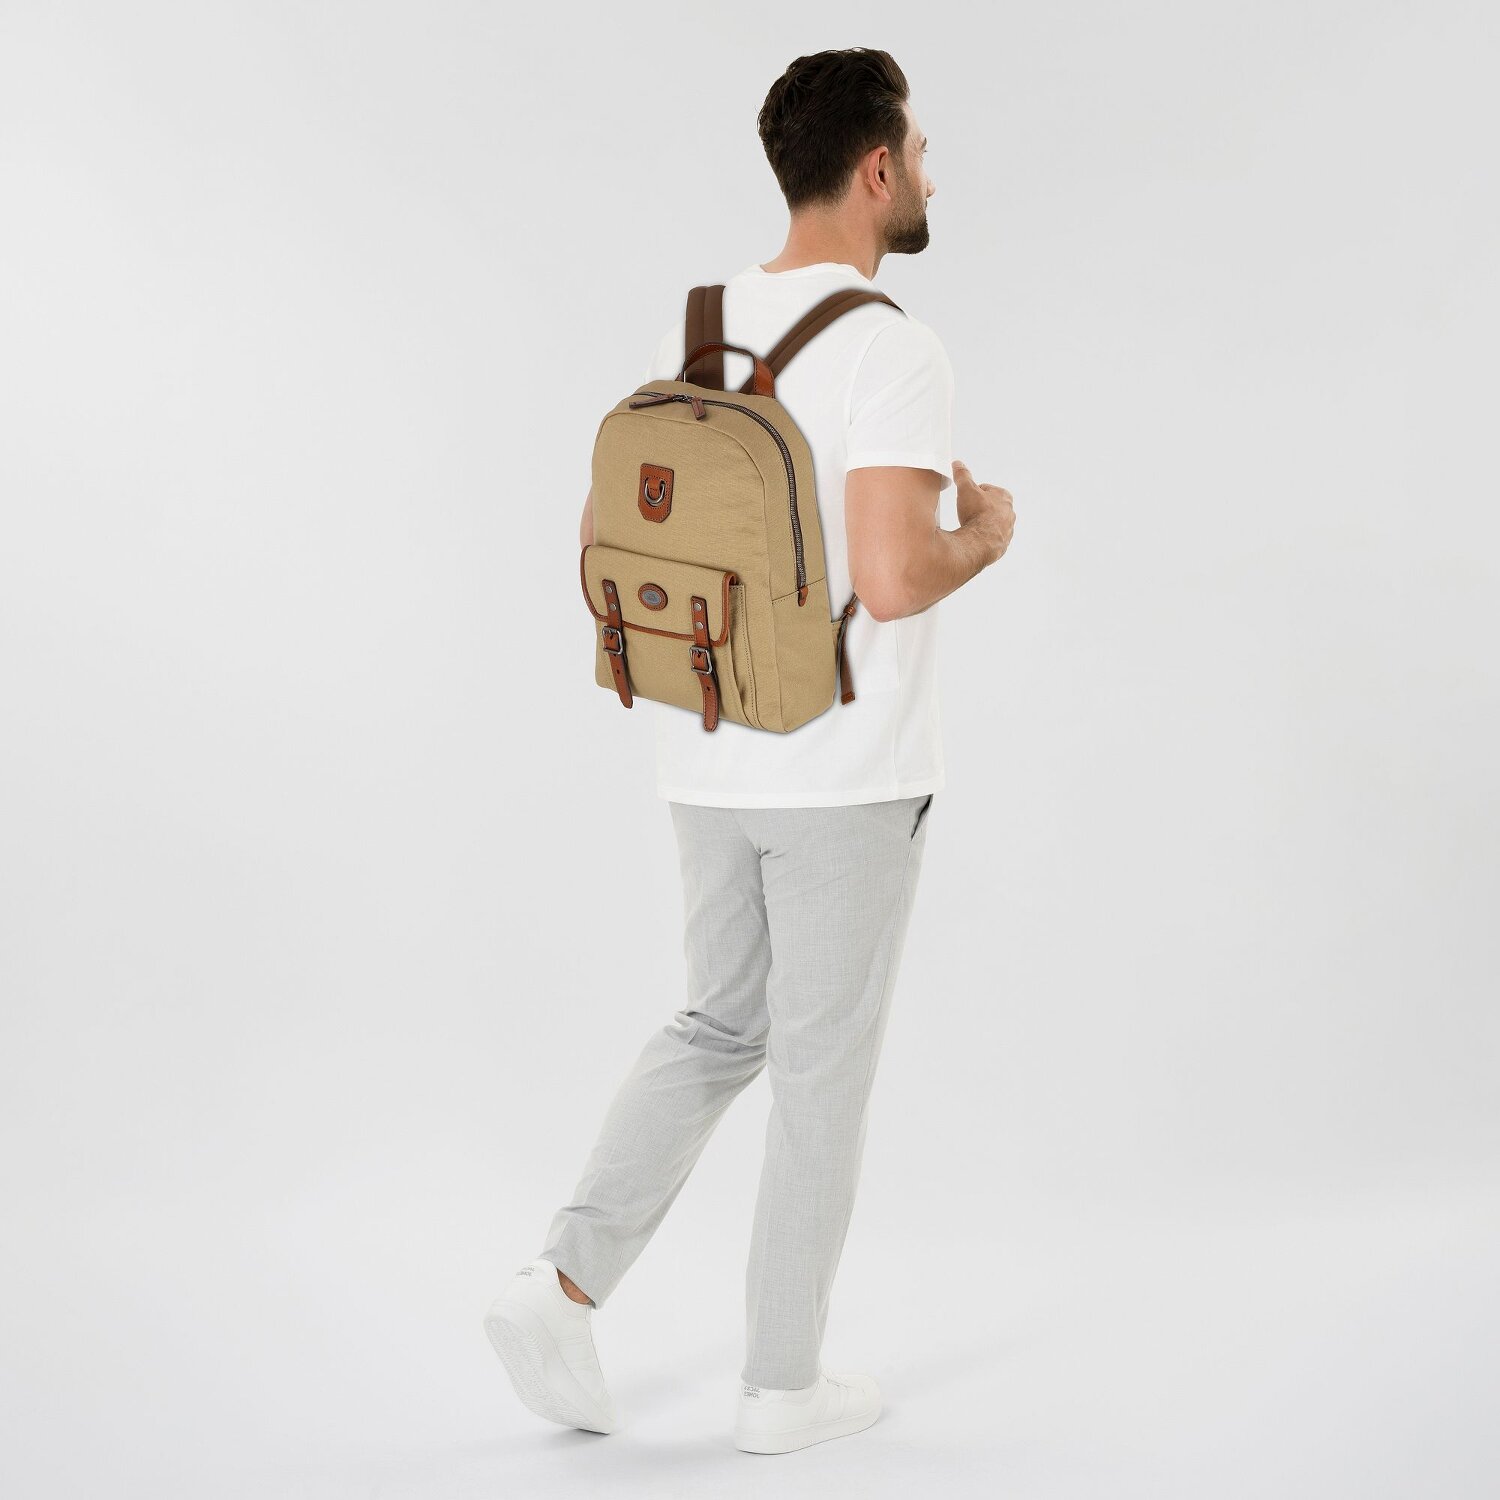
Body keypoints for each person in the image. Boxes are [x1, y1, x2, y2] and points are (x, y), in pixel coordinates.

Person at [484, 47, 1015, 1455]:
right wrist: (983, 536)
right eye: (920, 151)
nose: (931, 174)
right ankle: (783, 1387)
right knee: (820, 1071)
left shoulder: (708, 327)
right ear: (877, 168)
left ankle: (558, 1284)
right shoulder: (896, 347)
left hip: (707, 749)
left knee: (718, 1026)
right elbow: (891, 579)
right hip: (847, 769)